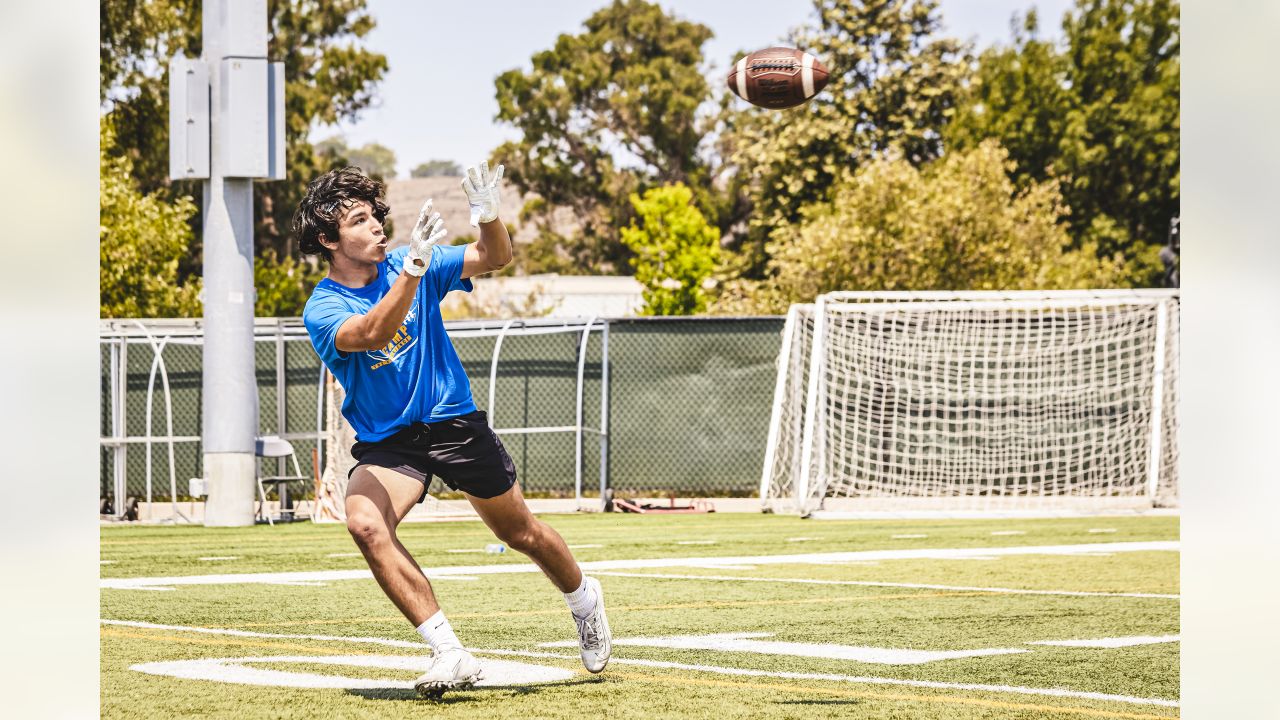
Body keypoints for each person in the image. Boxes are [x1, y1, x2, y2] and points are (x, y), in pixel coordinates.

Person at [294, 162, 611, 699]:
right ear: (328, 239)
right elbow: (373, 333)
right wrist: (412, 271)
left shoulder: (408, 261)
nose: (375, 226)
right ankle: (448, 651)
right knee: (364, 523)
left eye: (375, 216)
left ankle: (584, 600)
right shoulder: (323, 306)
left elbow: (496, 256)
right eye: (358, 220)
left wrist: (487, 214)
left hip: (454, 422)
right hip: (391, 442)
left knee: (520, 534)